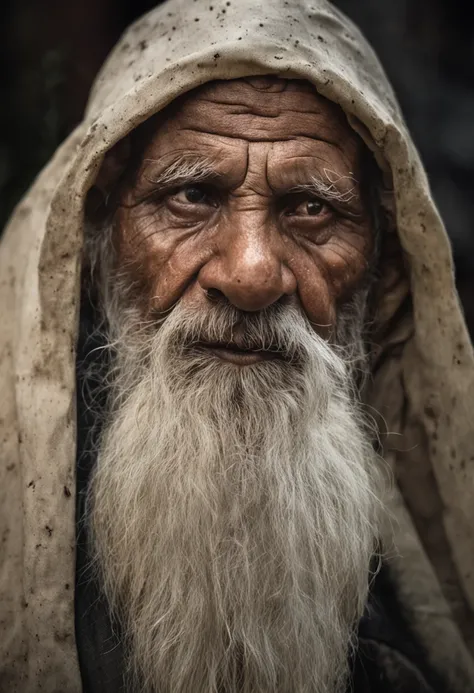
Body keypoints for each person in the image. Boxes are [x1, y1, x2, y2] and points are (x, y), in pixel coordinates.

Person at [1, 0, 473, 691]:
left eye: (311, 208)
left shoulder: (417, 631)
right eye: (192, 195)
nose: (251, 274)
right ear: (98, 232)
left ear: (381, 265)